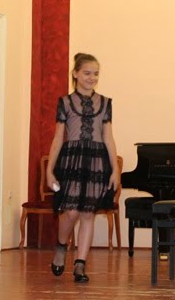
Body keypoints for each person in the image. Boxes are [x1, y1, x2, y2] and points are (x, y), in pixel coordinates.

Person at [45, 53, 120, 283]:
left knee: (88, 213)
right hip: (72, 161)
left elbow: (108, 138)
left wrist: (115, 169)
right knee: (70, 211)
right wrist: (49, 170)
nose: (92, 77)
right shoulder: (65, 102)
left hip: (97, 161)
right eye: (87, 73)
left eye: (96, 74)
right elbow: (58, 138)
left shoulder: (105, 103)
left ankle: (80, 264)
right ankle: (61, 246)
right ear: (75, 73)